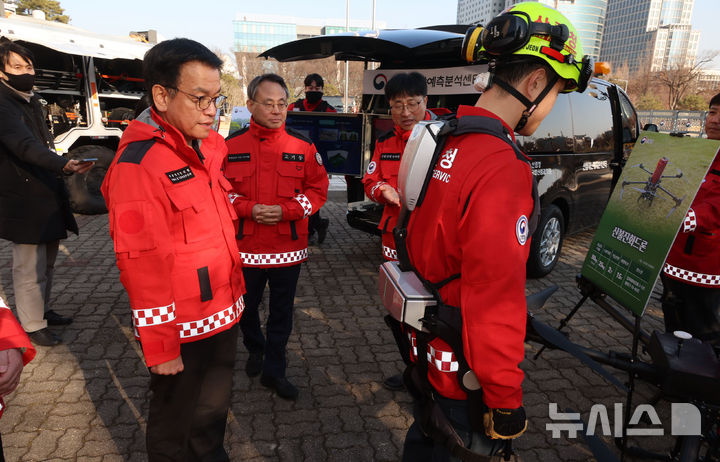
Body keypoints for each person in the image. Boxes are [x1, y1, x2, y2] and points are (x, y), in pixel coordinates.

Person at [398, 3, 592, 460]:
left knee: (424, 439)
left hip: (428, 350)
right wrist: (505, 400)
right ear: (534, 83)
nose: (548, 109)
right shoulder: (502, 167)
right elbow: (494, 296)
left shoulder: (444, 136)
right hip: (464, 367)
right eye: (555, 94)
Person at [101, 38, 245, 461]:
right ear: (161, 96)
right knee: (174, 428)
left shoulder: (208, 147)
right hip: (183, 329)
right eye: (199, 98)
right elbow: (141, 265)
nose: (210, 109)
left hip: (223, 310)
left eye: (216, 98)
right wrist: (161, 347)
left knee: (211, 416)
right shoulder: (139, 165)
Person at [224, 73, 329, 401]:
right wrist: (247, 209)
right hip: (245, 249)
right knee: (246, 308)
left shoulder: (303, 146)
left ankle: (275, 368)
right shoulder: (229, 147)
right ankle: (255, 349)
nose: (276, 110)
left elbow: (318, 190)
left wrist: (287, 211)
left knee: (282, 312)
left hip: (287, 249)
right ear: (250, 105)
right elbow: (218, 191)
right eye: (268, 104)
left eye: (282, 104)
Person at [0, 41, 91, 347]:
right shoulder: (3, 103)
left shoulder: (31, 98)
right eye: (17, 67)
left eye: (29, 67)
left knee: (47, 261)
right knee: (29, 264)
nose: (26, 73)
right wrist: (63, 164)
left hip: (46, 191)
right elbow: (24, 146)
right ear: (1, 72)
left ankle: (42, 309)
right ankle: (32, 323)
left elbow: (42, 142)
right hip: (22, 196)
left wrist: (57, 164)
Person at [362, 72, 437, 392]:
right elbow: (370, 181)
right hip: (395, 236)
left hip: (434, 239)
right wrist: (382, 191)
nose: (405, 112)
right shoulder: (384, 143)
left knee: (434, 309)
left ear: (426, 102)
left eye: (412, 104)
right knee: (402, 306)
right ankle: (413, 369)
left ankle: (438, 374)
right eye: (397, 105)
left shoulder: (445, 138)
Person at [661, 92, 720, 343]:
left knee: (703, 331)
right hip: (673, 260)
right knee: (673, 320)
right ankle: (670, 372)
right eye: (713, 112)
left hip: (706, 267)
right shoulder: (697, 151)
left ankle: (700, 380)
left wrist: (693, 216)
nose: (715, 120)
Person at [288, 73, 334, 244]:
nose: (313, 91)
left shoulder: (329, 110)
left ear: (322, 90)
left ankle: (310, 228)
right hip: (295, 160)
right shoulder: (293, 107)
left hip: (318, 161)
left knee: (313, 192)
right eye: (310, 88)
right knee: (299, 192)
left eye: (317, 88)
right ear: (305, 88)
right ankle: (316, 225)